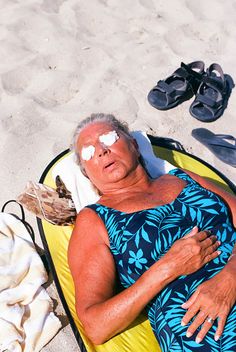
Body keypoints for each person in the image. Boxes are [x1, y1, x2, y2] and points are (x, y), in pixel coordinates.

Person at [68, 113, 236, 351]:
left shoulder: (184, 178)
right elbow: (96, 327)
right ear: (87, 174)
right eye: (88, 152)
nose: (101, 150)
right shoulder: (94, 221)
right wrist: (168, 267)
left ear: (134, 145)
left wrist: (230, 277)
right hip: (207, 329)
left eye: (108, 137)